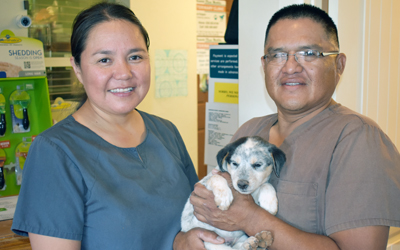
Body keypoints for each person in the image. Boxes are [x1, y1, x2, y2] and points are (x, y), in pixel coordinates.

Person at [189, 4, 400, 250]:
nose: (290, 67)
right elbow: (212, 211)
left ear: (339, 65)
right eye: (277, 55)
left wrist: (250, 217)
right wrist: (187, 239)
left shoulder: (358, 139)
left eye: (309, 53)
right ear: (264, 65)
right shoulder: (249, 132)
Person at [11, 3, 202, 249]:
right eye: (104, 60)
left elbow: (194, 221)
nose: (123, 73)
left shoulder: (167, 132)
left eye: (135, 57)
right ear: (77, 69)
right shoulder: (54, 152)